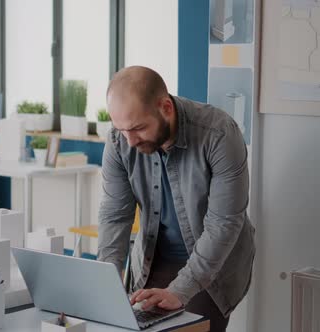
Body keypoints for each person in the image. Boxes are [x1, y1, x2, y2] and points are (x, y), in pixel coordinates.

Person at [97, 66, 255, 332]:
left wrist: (181, 290)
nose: (130, 140)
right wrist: (105, 281)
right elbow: (115, 214)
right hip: (152, 257)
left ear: (166, 108)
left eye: (138, 128)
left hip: (212, 267)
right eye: (122, 129)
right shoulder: (119, 140)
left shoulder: (218, 133)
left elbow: (224, 224)